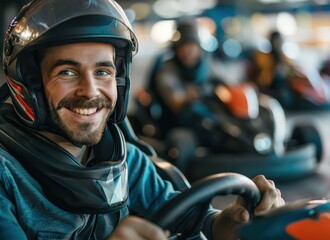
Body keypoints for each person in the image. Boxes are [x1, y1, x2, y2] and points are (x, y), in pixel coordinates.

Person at [0, 0, 284, 239]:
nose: (90, 92)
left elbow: (189, 216)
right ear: (31, 84)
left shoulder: (123, 160)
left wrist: (230, 222)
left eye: (102, 72)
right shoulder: (7, 177)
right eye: (67, 72)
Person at [151, 19, 225, 149]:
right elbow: (176, 102)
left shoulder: (207, 65)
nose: (188, 51)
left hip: (211, 116)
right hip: (177, 123)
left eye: (192, 46)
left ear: (199, 48)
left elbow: (226, 83)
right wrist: (191, 96)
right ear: (176, 49)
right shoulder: (167, 69)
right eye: (183, 47)